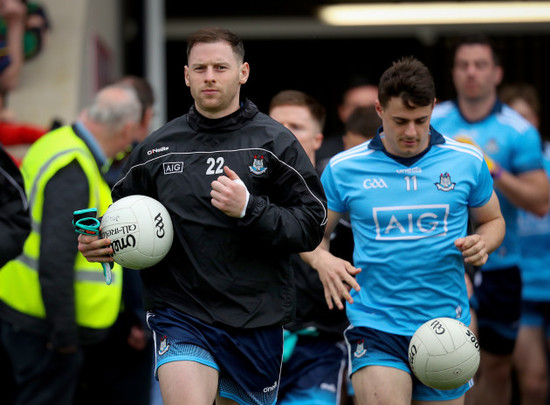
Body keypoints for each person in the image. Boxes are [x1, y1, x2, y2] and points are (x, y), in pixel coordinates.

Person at [77, 26, 327, 405]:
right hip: (181, 314)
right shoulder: (155, 150)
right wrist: (102, 245)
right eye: (201, 68)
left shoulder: (275, 143)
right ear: (186, 75)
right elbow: (120, 221)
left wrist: (250, 209)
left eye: (220, 67)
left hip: (255, 319)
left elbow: (311, 224)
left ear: (243, 72)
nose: (210, 76)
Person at [302, 55, 505, 405]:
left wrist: (482, 242)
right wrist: (324, 261)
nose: (411, 131)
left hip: (447, 325)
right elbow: (307, 235)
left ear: (434, 109)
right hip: (376, 322)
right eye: (400, 121)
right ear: (379, 110)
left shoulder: (466, 161)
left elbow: (493, 221)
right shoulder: (343, 168)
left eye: (420, 120)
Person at [0, 83, 141, 405]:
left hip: (23, 313)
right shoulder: (75, 170)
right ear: (128, 129)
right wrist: (63, 338)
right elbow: (56, 258)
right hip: (44, 329)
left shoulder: (58, 142)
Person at [431, 34, 550, 405]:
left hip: (502, 263)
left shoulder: (518, 130)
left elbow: (541, 201)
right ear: (453, 72)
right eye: (463, 64)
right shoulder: (433, 121)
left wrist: (491, 168)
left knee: (497, 368)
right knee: (455, 363)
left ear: (497, 73)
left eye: (480, 64)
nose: (471, 72)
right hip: (446, 262)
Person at [269, 89, 349, 405]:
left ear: (318, 139)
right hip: (253, 339)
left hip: (320, 344)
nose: (285, 134)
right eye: (278, 125)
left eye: (297, 127)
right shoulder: (239, 194)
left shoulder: (340, 197)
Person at [499, 83, 550, 405]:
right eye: (513, 120)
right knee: (532, 383)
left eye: (526, 119)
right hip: (522, 287)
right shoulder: (487, 165)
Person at [316, 78, 378, 166]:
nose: (365, 113)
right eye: (357, 107)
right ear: (342, 111)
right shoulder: (322, 157)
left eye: (372, 106)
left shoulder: (402, 150)